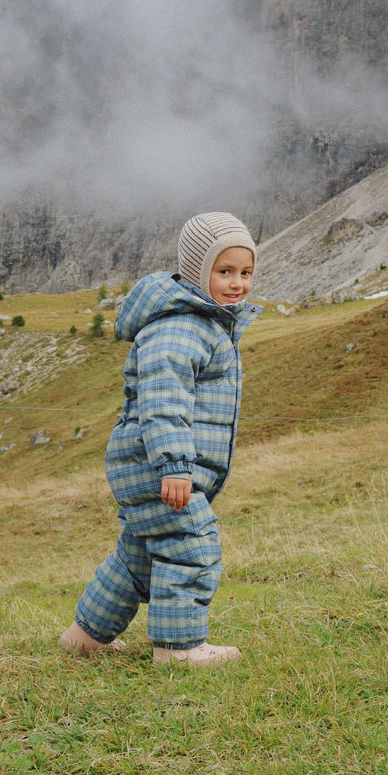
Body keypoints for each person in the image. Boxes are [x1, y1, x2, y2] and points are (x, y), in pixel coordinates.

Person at [59, 212, 261, 666]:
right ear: (197, 270)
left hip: (146, 462)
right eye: (224, 271)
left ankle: (84, 638)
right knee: (191, 545)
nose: (237, 284)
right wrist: (174, 465)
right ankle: (179, 648)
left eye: (246, 272)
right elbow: (163, 399)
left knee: (138, 556)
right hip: (157, 463)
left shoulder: (201, 322)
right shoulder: (181, 326)